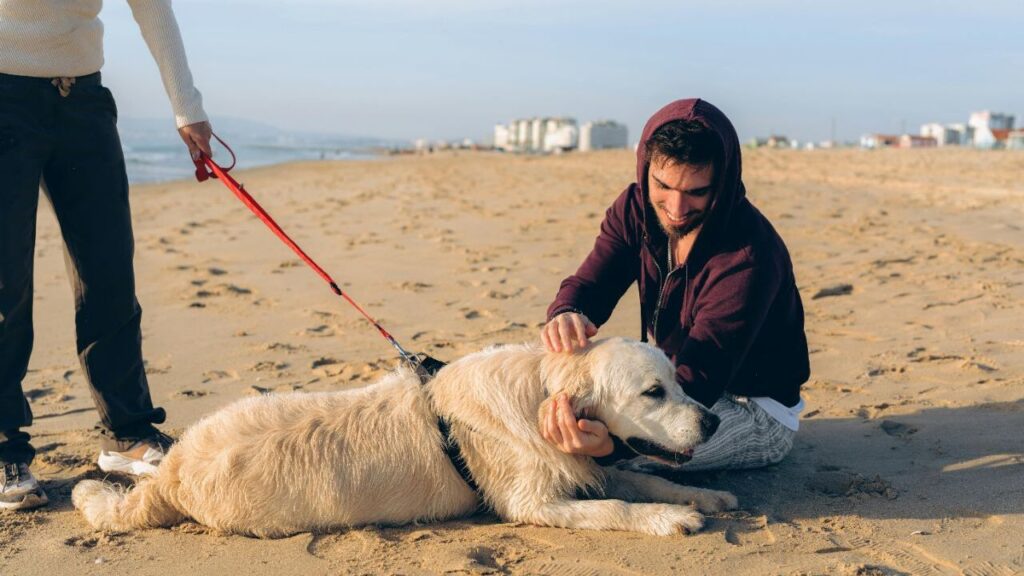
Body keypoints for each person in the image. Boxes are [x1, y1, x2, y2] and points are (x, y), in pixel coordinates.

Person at [1, 0, 213, 511]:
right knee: (5, 283)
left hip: (83, 99)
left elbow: (153, 9)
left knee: (109, 272)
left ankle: (127, 433)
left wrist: (187, 107)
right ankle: (5, 445)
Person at [539, 98, 810, 471]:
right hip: (672, 381)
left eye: (697, 192)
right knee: (559, 422)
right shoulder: (634, 208)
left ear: (723, 181)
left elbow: (703, 373)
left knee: (593, 461)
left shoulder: (748, 257)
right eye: (663, 185)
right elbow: (592, 283)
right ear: (645, 168)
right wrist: (569, 311)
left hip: (753, 409)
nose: (677, 208)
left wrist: (611, 449)